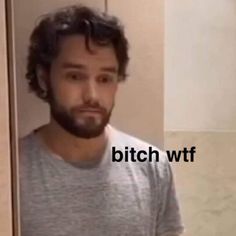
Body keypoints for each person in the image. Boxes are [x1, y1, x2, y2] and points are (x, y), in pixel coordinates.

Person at [19, 5, 184, 236]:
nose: (92, 95)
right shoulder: (12, 170)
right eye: (75, 76)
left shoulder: (152, 165)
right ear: (44, 78)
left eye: (105, 78)